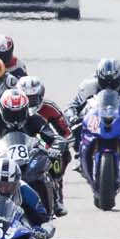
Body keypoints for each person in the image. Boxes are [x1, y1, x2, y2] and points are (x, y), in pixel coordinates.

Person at [65, 58, 120, 176]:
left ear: (119, 78)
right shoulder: (88, 85)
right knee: (75, 126)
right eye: (105, 82)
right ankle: (80, 157)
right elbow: (71, 107)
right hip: (94, 115)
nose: (109, 86)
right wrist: (72, 117)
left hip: (119, 115)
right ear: (98, 78)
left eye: (113, 82)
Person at [0, 88, 64, 177]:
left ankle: (57, 183)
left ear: (26, 110)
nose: (15, 119)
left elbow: (55, 138)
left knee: (59, 156)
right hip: (1, 159)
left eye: (19, 113)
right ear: (2, 110)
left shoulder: (35, 118)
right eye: (10, 114)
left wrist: (55, 148)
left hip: (32, 158)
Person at [18, 75, 72, 217]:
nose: (30, 103)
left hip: (46, 148)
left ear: (40, 96)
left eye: (33, 98)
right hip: (19, 148)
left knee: (63, 154)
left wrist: (58, 146)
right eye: (26, 98)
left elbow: (66, 132)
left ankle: (57, 195)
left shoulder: (49, 108)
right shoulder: (13, 108)